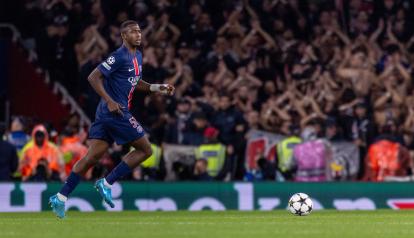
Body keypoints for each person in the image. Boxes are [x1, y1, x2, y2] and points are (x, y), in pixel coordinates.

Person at [49, 20, 174, 218]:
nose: (138, 34)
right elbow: (93, 77)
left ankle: (61, 197)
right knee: (146, 149)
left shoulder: (138, 56)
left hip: (106, 113)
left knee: (93, 156)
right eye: (133, 32)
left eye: (139, 31)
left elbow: (134, 82)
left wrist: (157, 87)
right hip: (116, 112)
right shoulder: (119, 56)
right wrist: (109, 100)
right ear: (124, 36)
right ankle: (106, 183)